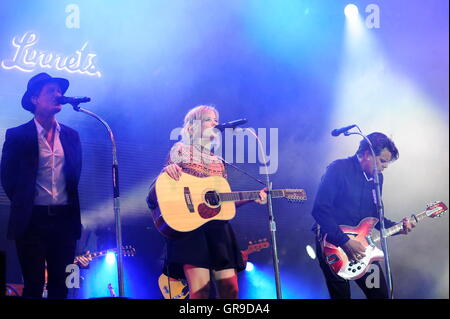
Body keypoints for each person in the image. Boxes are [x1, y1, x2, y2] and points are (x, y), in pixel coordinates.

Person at [148, 105, 266, 299]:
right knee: (201, 292)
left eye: (216, 120)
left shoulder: (218, 161)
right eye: (209, 119)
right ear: (193, 126)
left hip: (218, 229)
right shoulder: (180, 150)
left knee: (231, 291)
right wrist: (168, 171)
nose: (216, 123)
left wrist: (252, 197)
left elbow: (221, 203)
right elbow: (164, 187)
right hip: (190, 228)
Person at [1, 72, 83, 298]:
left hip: (64, 222)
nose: (58, 95)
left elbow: (75, 174)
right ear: (34, 99)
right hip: (31, 222)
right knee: (34, 285)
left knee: (61, 286)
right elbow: (7, 178)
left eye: (60, 91)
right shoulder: (17, 135)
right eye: (51, 91)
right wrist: (25, 202)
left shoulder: (71, 135)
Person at [311, 132, 415, 299]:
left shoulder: (377, 178)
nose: (385, 166)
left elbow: (376, 216)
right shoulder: (338, 168)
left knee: (380, 296)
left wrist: (398, 228)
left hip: (362, 248)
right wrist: (344, 241)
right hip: (333, 244)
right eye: (382, 161)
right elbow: (319, 210)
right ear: (367, 154)